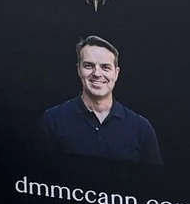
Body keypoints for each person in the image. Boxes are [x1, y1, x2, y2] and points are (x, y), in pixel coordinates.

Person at [34, 34, 162, 164]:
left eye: (105, 67)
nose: (97, 73)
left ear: (116, 73)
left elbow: (153, 182)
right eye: (89, 66)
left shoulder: (141, 129)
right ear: (79, 69)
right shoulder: (53, 120)